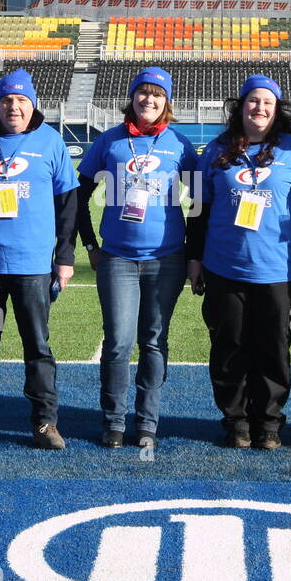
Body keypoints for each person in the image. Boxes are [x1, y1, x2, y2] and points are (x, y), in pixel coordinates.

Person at [0, 69, 79, 450]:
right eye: (7, 100)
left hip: (33, 269)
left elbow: (67, 204)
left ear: (33, 104)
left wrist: (65, 256)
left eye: (22, 100)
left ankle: (44, 421)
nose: (14, 107)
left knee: (37, 345)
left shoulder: (51, 142)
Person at [186, 75, 291, 450]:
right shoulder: (215, 151)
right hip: (223, 266)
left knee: (274, 347)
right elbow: (197, 209)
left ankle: (269, 422)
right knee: (228, 345)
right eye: (252, 101)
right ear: (240, 107)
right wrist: (194, 258)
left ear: (277, 111)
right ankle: (236, 421)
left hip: (278, 268)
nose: (259, 108)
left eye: (267, 103)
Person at [76, 67, 197, 448]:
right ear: (132, 97)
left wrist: (194, 255)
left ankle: (147, 422)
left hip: (168, 259)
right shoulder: (109, 142)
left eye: (157, 94)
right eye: (142, 92)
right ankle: (113, 420)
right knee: (118, 341)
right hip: (117, 260)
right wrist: (91, 246)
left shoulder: (180, 145)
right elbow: (78, 195)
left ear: (168, 102)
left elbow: (197, 206)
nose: (149, 99)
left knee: (154, 341)